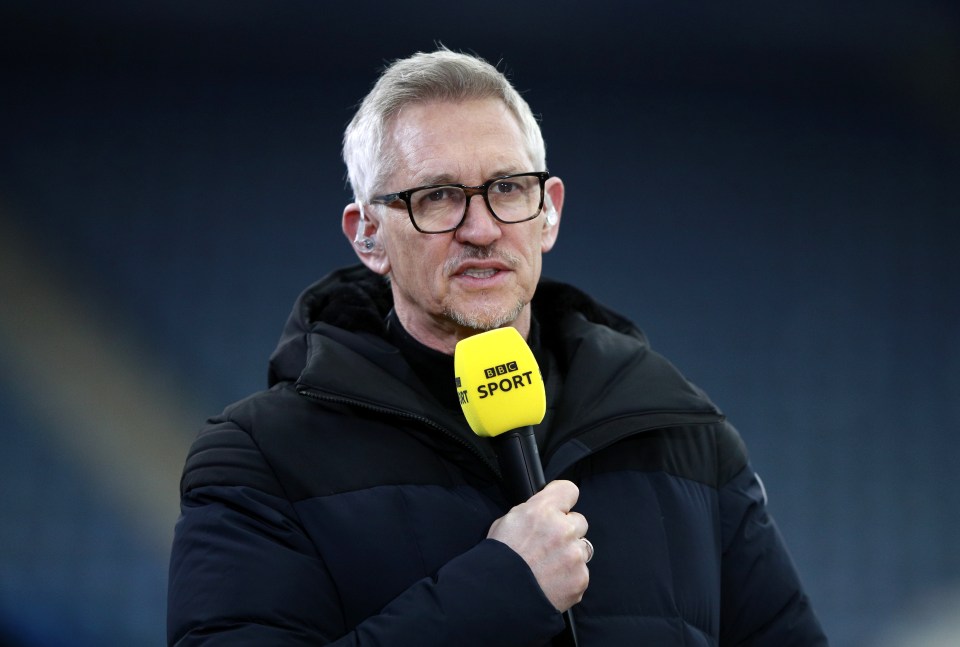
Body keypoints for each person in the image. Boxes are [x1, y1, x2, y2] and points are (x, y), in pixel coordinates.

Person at [167, 48, 827, 646]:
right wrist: (499, 591)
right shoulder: (259, 461)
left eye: (508, 188)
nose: (480, 228)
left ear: (550, 213)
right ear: (367, 235)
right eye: (439, 196)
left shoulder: (680, 431)